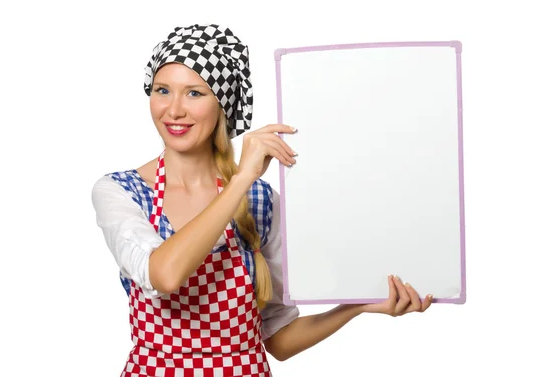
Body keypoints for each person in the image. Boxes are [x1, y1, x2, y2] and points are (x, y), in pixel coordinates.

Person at [91, 24, 432, 376]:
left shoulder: (261, 201)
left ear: (222, 105)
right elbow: (164, 274)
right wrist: (240, 181)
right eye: (163, 90)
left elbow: (280, 340)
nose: (174, 110)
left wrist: (355, 305)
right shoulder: (120, 191)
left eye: (194, 93)